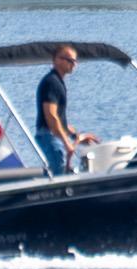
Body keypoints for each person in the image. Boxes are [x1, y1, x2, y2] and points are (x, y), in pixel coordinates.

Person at [35, 45, 99, 174]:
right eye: (70, 60)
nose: (74, 64)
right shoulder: (51, 82)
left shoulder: (58, 82)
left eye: (75, 61)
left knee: (62, 169)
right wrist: (66, 143)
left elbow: (60, 121)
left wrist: (76, 136)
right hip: (49, 135)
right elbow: (51, 116)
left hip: (54, 135)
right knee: (59, 167)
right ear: (56, 60)